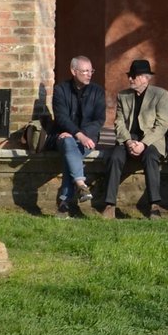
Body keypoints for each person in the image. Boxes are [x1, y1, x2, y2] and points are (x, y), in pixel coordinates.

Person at [100, 58, 168, 219]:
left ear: (145, 78)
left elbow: (161, 125)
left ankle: (154, 205)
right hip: (128, 138)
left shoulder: (160, 94)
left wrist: (143, 144)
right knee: (115, 157)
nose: (130, 78)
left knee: (151, 157)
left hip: (150, 139)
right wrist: (128, 141)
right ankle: (110, 205)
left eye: (134, 76)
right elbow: (119, 122)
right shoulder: (123, 95)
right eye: (129, 75)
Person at [51, 55, 106, 215]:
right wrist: (77, 134)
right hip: (64, 136)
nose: (89, 74)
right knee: (68, 143)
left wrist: (83, 135)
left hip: (89, 138)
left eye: (90, 71)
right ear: (74, 71)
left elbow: (99, 119)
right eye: (84, 71)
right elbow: (61, 117)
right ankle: (81, 184)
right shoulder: (60, 90)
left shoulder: (97, 91)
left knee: (70, 152)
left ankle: (64, 202)